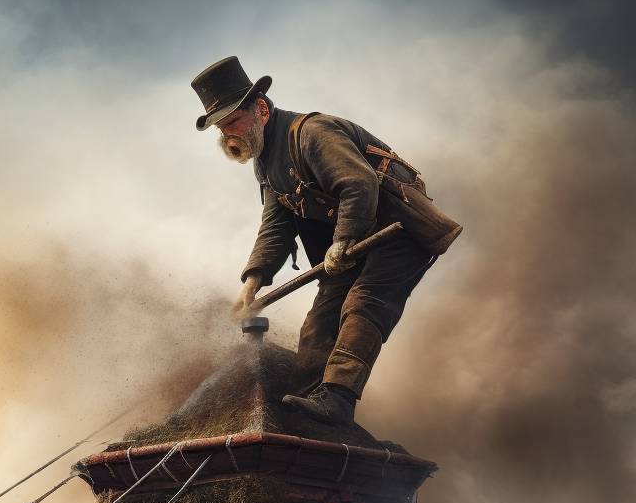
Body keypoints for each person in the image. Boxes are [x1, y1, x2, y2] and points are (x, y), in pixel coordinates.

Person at [191, 56, 460, 426]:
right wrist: (252, 283)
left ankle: (337, 400)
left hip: (396, 231)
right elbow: (276, 225)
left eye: (234, 121)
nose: (229, 135)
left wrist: (343, 239)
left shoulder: (312, 134)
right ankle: (305, 410)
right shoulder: (265, 165)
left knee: (363, 305)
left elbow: (358, 183)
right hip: (349, 250)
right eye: (222, 128)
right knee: (318, 325)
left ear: (262, 109)